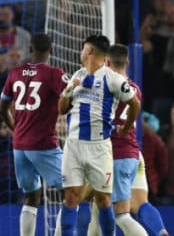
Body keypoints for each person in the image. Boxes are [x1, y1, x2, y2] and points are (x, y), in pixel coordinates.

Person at [58, 35, 140, 236]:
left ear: (90, 51)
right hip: (73, 146)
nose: (81, 52)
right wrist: (70, 89)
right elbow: (61, 109)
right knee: (71, 197)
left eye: (83, 48)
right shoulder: (77, 74)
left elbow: (135, 103)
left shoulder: (113, 79)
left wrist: (126, 126)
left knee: (104, 200)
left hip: (100, 148)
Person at [83, 44, 162, 235]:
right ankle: (161, 230)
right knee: (98, 208)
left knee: (121, 215)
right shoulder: (135, 89)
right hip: (133, 155)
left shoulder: (106, 88)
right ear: (127, 62)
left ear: (107, 62)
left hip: (113, 155)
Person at [0, 33, 67, 236]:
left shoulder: (15, 73)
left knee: (31, 196)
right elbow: (68, 101)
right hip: (43, 144)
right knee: (71, 192)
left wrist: (17, 130)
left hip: (19, 145)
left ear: (30, 50)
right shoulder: (55, 74)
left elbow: (2, 109)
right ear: (51, 51)